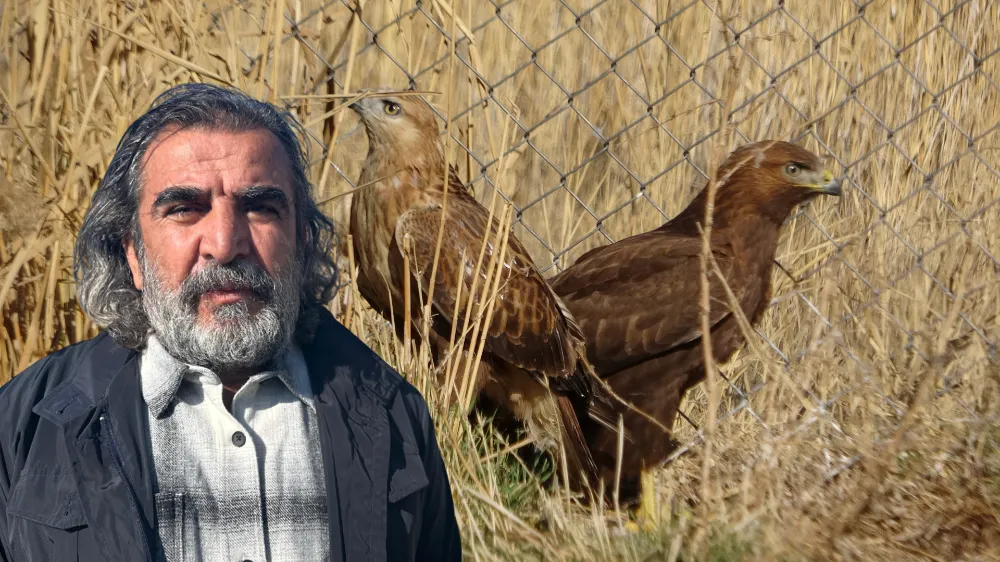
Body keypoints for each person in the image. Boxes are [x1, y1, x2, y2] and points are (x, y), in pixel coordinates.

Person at [0, 83, 462, 562]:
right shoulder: (24, 432)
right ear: (131, 251)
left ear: (303, 241)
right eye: (184, 208)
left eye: (260, 207)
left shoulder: (394, 417)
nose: (225, 243)